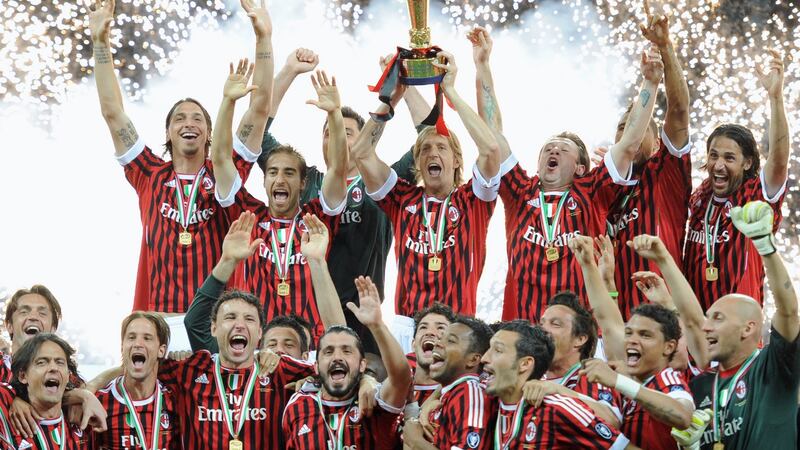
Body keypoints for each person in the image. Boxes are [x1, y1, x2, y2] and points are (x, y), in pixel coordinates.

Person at [89, 0, 273, 314]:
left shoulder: (227, 171)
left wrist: (264, 39)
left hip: (215, 321)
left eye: (198, 118)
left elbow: (259, 109)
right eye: (180, 119)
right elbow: (112, 112)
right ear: (169, 133)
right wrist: (99, 42)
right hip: (159, 318)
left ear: (209, 134)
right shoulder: (148, 173)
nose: (189, 123)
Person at [470, 26, 663, 322]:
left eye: (563, 149)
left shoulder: (593, 189)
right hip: (524, 328)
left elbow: (629, 144)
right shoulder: (520, 189)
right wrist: (482, 64)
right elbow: (492, 133)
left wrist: (649, 84)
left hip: (581, 331)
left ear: (581, 168)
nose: (553, 152)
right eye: (548, 148)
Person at [260, 50, 429, 353]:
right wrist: (288, 72)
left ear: (367, 138)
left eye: (347, 132)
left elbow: (432, 140)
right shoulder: (304, 180)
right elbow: (257, 133)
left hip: (366, 321)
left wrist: (404, 85)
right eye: (328, 132)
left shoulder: (389, 183)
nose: (335, 138)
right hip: (306, 322)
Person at [352, 50, 501, 336]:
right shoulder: (401, 199)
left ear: (457, 160)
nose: (433, 153)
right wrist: (390, 98)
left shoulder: (474, 200)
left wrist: (450, 92)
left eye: (441, 147)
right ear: (418, 162)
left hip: (460, 324)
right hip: (408, 326)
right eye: (425, 150)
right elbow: (360, 152)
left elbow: (492, 148)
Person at [211, 64, 348, 343]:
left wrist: (334, 114)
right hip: (257, 346)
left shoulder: (317, 220)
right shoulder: (247, 216)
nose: (279, 179)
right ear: (264, 181)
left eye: (289, 172)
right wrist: (228, 102)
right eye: (272, 172)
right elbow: (221, 159)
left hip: (310, 345)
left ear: (302, 183)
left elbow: (338, 170)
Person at [602, 2, 693, 320]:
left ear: (657, 144)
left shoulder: (665, 173)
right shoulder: (605, 190)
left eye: (638, 128)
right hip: (619, 325)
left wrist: (665, 48)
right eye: (622, 128)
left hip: (667, 321)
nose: (629, 133)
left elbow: (679, 111)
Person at [682, 49, 790, 311]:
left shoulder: (755, 196)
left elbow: (778, 160)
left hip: (739, 333)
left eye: (729, 158)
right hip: (695, 331)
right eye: (713, 155)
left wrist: (775, 98)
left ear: (748, 162)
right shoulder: (699, 197)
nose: (718, 165)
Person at [686, 201, 799, 449]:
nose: (706, 327)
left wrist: (764, 246)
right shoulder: (698, 387)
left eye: (718, 318)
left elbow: (788, 311)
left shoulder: (774, 367)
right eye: (707, 318)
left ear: (748, 329)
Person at [281, 277, 412, 449]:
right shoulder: (297, 405)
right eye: (328, 351)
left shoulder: (373, 401)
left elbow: (400, 378)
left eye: (347, 350)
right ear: (316, 366)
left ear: (362, 365)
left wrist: (377, 325)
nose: (337, 357)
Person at [482, 320, 635, 449]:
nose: (484, 358)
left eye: (498, 350)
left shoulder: (557, 408)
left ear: (525, 364)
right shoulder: (486, 404)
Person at [580, 304, 695, 450]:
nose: (632, 340)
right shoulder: (634, 385)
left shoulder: (667, 380)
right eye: (628, 333)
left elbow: (683, 416)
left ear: (669, 347)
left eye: (645, 335)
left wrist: (619, 381)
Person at [524, 289, 623, 427]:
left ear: (580, 339)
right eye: (542, 323)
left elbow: (611, 421)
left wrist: (558, 391)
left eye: (555, 324)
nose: (543, 329)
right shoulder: (530, 379)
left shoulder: (591, 376)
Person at [402, 317, 495, 450]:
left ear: (473, 359)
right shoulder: (450, 394)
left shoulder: (470, 393)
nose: (437, 344)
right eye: (441, 339)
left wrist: (416, 441)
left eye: (451, 341)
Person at [93, 313, 180, 449]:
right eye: (131, 337)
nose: (138, 344)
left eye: (147, 338)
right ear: (122, 347)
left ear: (161, 350)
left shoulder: (174, 400)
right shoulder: (100, 402)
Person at [0, 334, 91, 448]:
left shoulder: (84, 418)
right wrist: (12, 396)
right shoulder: (4, 407)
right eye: (42, 362)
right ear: (23, 376)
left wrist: (86, 395)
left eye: (60, 362)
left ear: (68, 375)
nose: (53, 368)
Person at [0, 285, 62, 383]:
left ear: (53, 328)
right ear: (9, 325)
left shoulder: (67, 377)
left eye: (42, 313)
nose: (33, 317)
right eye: (24, 312)